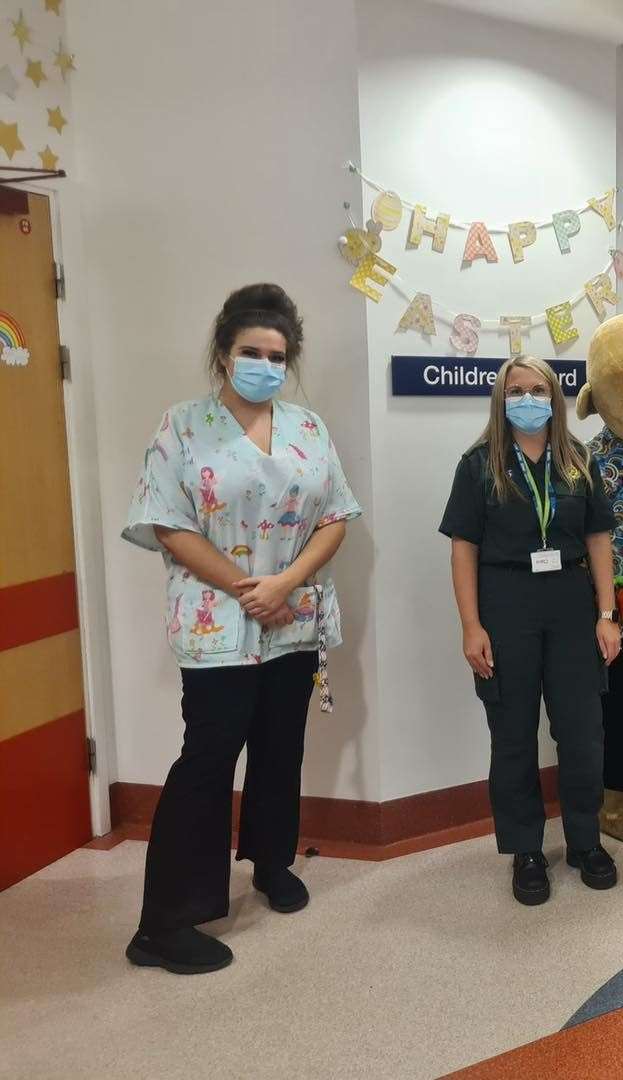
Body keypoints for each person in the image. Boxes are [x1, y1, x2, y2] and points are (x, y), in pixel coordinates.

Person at [121, 283, 362, 974]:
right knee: (207, 762)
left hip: (292, 617)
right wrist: (247, 589)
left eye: (277, 355)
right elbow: (168, 523)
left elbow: (336, 515)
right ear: (223, 355)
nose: (265, 364)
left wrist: (285, 586)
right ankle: (163, 925)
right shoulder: (183, 426)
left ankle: (271, 864)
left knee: (281, 747)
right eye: (250, 352)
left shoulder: (307, 429)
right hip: (218, 621)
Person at [440, 356, 621, 906]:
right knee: (514, 735)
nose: (527, 398)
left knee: (582, 732)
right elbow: (463, 549)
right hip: (506, 604)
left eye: (537, 389)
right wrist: (471, 626)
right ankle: (525, 850)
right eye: (515, 390)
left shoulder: (578, 460)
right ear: (500, 400)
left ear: (555, 398)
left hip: (570, 604)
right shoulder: (478, 466)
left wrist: (607, 615)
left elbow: (598, 540)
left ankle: (586, 841)